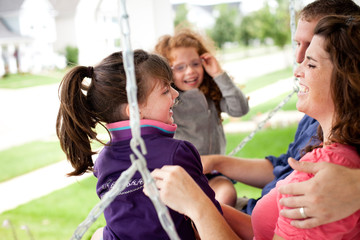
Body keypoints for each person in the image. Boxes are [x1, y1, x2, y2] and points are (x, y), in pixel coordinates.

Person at [149, 14, 360, 239]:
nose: (297, 70)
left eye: (311, 63)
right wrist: (201, 205)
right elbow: (265, 227)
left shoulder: (328, 177)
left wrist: (198, 207)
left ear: (346, 80)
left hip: (212, 180)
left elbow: (239, 107)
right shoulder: (321, 151)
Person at [201, 0, 360, 215]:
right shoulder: (318, 117)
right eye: (298, 44)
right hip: (254, 210)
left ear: (345, 65)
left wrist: (201, 210)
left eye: (312, 50)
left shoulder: (339, 154)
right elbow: (285, 166)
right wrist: (215, 162)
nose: (298, 60)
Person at [56, 49, 221, 239]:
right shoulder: (177, 152)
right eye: (166, 90)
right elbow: (212, 218)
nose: (175, 94)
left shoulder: (103, 160)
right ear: (134, 111)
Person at [154, 28, 249, 207]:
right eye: (180, 67)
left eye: (195, 63)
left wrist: (218, 74)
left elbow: (240, 109)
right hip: (182, 174)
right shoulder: (170, 101)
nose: (190, 71)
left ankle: (210, 229)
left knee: (226, 194)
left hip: (212, 174)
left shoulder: (209, 92)